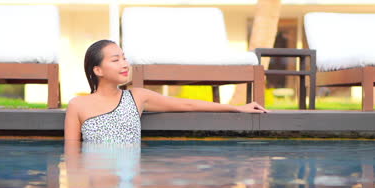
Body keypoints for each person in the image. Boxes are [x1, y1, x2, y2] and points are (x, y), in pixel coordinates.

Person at [64, 40, 269, 142]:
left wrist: (237, 108)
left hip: (127, 178)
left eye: (124, 58)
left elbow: (186, 104)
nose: (125, 64)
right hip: (94, 176)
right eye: (116, 60)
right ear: (97, 70)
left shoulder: (137, 97)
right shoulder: (78, 105)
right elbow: (72, 152)